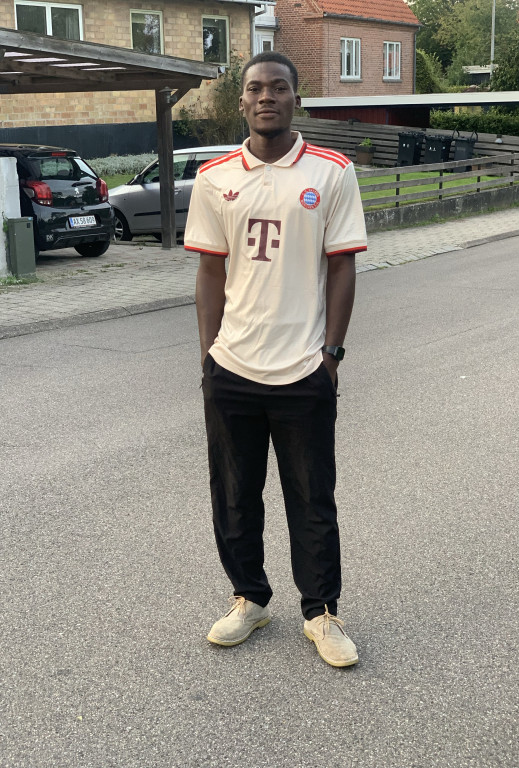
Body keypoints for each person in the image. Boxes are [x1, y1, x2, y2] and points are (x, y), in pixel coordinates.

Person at [184, 52, 367, 668]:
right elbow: (210, 270)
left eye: (279, 87)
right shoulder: (214, 178)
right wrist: (209, 356)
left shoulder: (332, 172)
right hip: (232, 367)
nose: (267, 96)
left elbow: (342, 266)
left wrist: (331, 355)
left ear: (296, 99)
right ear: (242, 100)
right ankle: (250, 599)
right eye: (256, 88)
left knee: (312, 497)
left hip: (303, 369)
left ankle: (321, 612)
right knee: (234, 495)